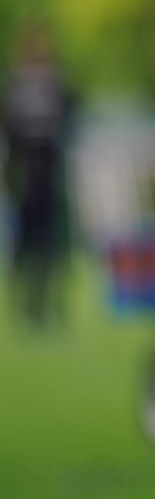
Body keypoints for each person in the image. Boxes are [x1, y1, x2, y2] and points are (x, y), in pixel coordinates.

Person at [2, 24, 76, 328]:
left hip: (43, 180)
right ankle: (33, 305)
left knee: (45, 249)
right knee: (35, 248)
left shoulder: (50, 88)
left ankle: (42, 305)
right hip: (31, 181)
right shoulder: (27, 89)